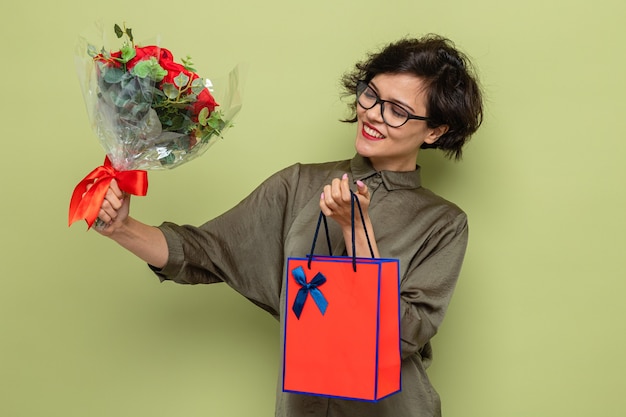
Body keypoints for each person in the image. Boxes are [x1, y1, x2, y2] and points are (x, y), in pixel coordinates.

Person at [92, 34, 483, 417]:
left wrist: (356, 229)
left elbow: (400, 337)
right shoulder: (298, 184)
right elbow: (206, 252)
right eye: (371, 95)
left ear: (435, 130)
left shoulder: (443, 223)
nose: (374, 115)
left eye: (397, 110)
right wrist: (122, 228)